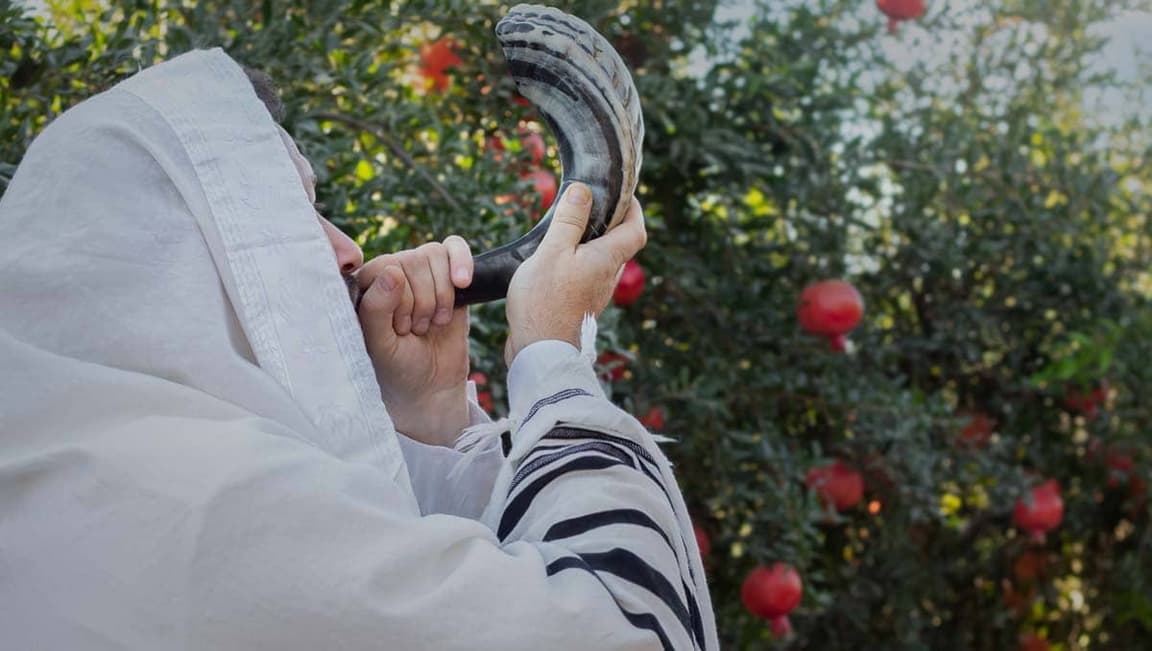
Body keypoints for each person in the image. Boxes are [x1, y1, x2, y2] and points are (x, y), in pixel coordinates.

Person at [0, 48, 718, 650]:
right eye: (291, 209)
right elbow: (624, 624)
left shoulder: (78, 479)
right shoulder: (204, 507)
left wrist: (432, 413)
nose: (350, 251)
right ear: (178, 243)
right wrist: (550, 359)